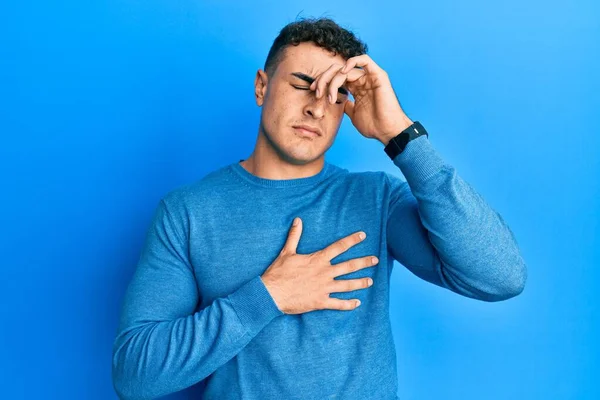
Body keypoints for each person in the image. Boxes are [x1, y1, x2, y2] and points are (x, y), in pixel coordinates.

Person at [111, 17, 527, 400]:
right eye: (301, 84)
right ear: (261, 86)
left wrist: (399, 134)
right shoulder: (187, 212)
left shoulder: (376, 199)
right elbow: (135, 374)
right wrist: (269, 295)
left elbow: (500, 277)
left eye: (335, 93)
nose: (316, 107)